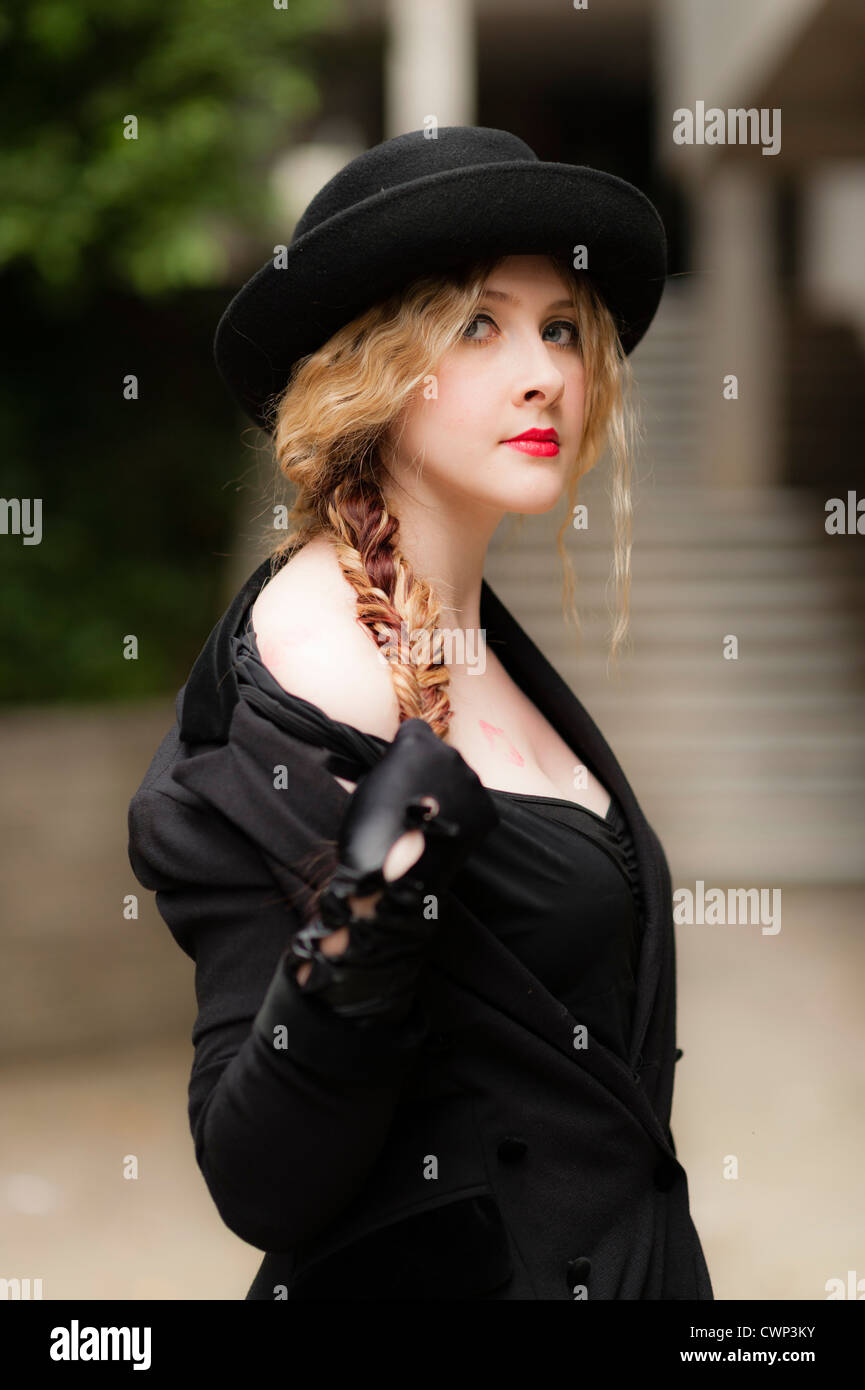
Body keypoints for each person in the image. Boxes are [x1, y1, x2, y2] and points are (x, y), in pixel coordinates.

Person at [127, 126, 714, 1300]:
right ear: (372, 366)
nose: (543, 368)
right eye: (478, 323)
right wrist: (367, 917)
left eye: (559, 328)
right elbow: (261, 1180)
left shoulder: (471, 632)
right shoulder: (307, 684)